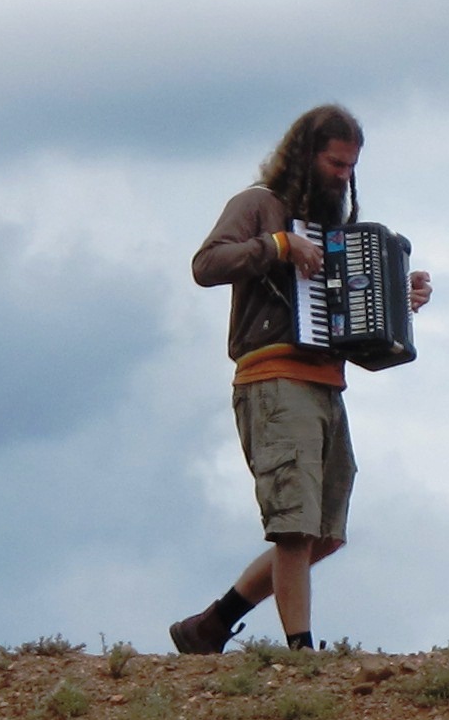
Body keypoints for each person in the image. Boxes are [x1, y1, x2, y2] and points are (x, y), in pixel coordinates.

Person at [167, 103, 432, 654]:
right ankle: (301, 652)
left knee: (325, 534)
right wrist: (280, 246)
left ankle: (212, 625)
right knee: (294, 526)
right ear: (306, 155)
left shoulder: (335, 231)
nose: (343, 176)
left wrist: (400, 304)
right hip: (272, 379)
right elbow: (206, 265)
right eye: (335, 164)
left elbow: (351, 327)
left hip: (326, 385)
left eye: (349, 167)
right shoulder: (258, 206)